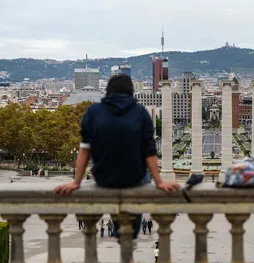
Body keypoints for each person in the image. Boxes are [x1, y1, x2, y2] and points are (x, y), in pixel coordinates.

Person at [54, 74, 181, 248]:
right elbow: (149, 152)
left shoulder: (93, 112)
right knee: (135, 202)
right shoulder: (140, 112)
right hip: (134, 178)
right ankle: (129, 231)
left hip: (104, 178)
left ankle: (117, 227)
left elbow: (84, 151)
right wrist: (158, 181)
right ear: (131, 92)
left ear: (107, 91)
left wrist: (76, 182)